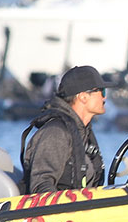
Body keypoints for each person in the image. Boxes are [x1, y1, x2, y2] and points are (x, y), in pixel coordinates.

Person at [21, 65, 115, 194]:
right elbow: (41, 186)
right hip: (57, 205)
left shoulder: (83, 131)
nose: (104, 97)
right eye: (102, 92)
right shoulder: (56, 133)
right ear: (83, 96)